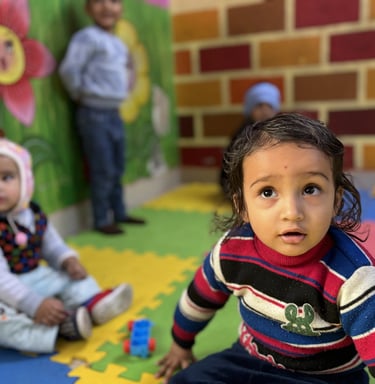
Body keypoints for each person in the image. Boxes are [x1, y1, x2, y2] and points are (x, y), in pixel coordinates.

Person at [156, 113, 375, 384]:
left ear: (336, 201)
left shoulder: (354, 277)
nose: (292, 212)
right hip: (249, 359)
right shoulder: (231, 251)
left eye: (310, 189)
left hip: (324, 379)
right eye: (268, 192)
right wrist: (181, 344)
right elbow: (200, 297)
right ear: (242, 206)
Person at [0, 137, 133, 353]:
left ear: (25, 180)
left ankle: (92, 303)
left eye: (7, 177)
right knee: (2, 319)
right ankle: (57, 329)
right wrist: (34, 305)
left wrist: (67, 260)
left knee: (72, 278)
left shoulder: (32, 215)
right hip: (5, 291)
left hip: (36, 276)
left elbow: (52, 246)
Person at [59, 0, 145, 235]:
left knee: (117, 166)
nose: (107, 7)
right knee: (102, 168)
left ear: (121, 8)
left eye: (114, 1)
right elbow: (69, 69)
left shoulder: (117, 42)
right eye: (99, 1)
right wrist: (79, 93)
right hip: (93, 112)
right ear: (88, 8)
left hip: (113, 112)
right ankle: (101, 218)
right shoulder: (87, 37)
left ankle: (119, 212)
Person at [220, 82, 281, 198]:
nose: (264, 111)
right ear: (250, 109)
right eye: (259, 106)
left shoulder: (279, 132)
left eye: (269, 106)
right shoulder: (243, 134)